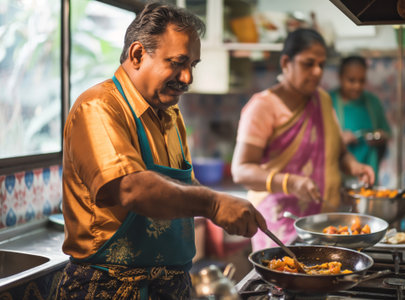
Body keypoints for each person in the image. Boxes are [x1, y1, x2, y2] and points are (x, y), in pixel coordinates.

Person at [54, 2, 266, 299]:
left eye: (192, 65)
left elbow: (180, 185)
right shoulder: (99, 107)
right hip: (109, 289)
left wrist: (224, 208)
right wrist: (214, 204)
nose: (187, 78)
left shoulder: (170, 115)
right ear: (138, 54)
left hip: (171, 287)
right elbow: (132, 189)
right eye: (178, 62)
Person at [231, 28, 374, 252]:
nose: (317, 71)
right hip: (279, 226)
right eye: (308, 63)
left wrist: (355, 166)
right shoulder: (262, 107)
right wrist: (290, 182)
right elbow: (241, 171)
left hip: (322, 225)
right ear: (286, 62)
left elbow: (340, 152)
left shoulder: (323, 101)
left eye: (321, 64)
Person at [329, 55, 391, 183]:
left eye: (361, 81)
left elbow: (386, 133)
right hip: (339, 178)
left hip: (369, 174)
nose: (357, 86)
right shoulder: (328, 101)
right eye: (351, 80)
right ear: (340, 77)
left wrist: (379, 136)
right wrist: (339, 139)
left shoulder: (372, 102)